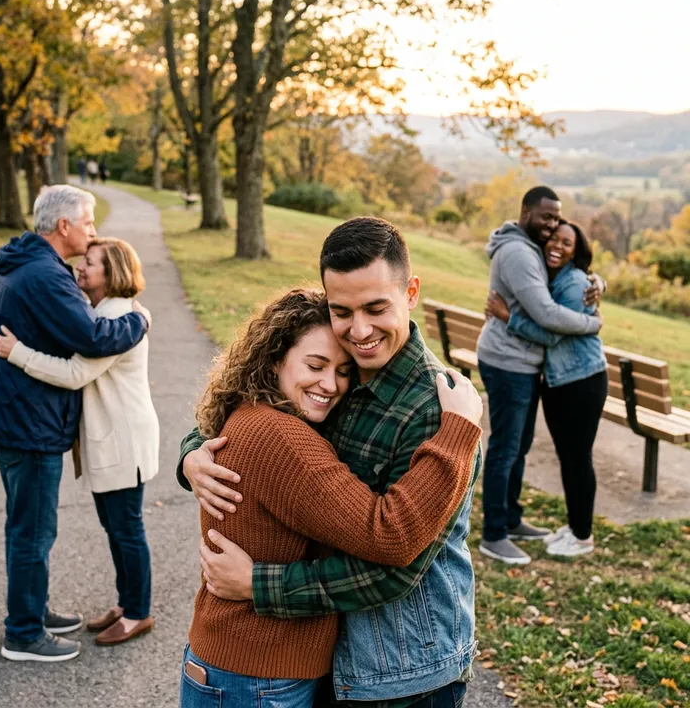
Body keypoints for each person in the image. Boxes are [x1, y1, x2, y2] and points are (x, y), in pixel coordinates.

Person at [179, 217, 484, 708]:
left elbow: (394, 561)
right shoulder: (345, 378)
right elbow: (255, 424)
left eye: (376, 307)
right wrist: (193, 453)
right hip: (328, 663)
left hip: (405, 671)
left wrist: (258, 583)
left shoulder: (437, 410)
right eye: (342, 311)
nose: (359, 330)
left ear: (411, 292)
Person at [0, 185, 150, 663]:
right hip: (26, 423)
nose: (93, 231)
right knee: (31, 531)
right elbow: (92, 337)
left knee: (29, 527)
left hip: (15, 416)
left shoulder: (29, 265)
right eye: (89, 222)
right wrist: (140, 321)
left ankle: (32, 609)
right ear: (64, 226)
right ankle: (24, 633)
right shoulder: (45, 276)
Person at [476, 186, 603, 566]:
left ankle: (511, 519)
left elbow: (575, 277)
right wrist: (591, 323)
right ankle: (494, 534)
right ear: (526, 211)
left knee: (518, 446)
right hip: (508, 362)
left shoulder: (530, 248)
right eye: (546, 217)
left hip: (524, 364)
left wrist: (598, 283)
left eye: (556, 218)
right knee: (505, 448)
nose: (551, 226)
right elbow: (547, 317)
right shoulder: (518, 252)